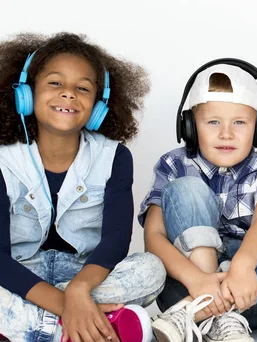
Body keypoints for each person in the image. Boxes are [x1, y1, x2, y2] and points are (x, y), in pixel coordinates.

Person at [0, 32, 166, 342]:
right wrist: (67, 305)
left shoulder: (114, 156)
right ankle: (90, 326)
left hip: (86, 276)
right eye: (54, 83)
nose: (68, 94)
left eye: (82, 88)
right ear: (26, 92)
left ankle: (31, 325)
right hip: (22, 274)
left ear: (99, 105)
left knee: (151, 269)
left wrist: (77, 290)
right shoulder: (3, 159)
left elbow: (116, 240)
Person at [141, 59, 257, 342]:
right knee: (188, 189)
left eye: (239, 122)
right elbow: (154, 236)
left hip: (249, 283)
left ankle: (192, 315)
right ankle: (217, 315)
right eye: (212, 122)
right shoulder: (173, 164)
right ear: (190, 126)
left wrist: (242, 268)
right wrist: (199, 280)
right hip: (185, 280)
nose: (226, 133)